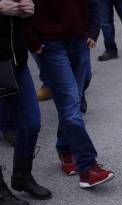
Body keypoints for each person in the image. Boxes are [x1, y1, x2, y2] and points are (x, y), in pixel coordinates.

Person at [24, 0, 116, 188]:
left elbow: (92, 3)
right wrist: (33, 42)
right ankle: (87, 167)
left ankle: (65, 149)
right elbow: (23, 9)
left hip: (79, 40)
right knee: (71, 103)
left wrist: (93, 30)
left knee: (72, 103)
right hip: (50, 44)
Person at [0, 0, 52, 205]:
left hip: (16, 61)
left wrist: (27, 11)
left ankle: (22, 175)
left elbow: (18, 23)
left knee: (31, 122)